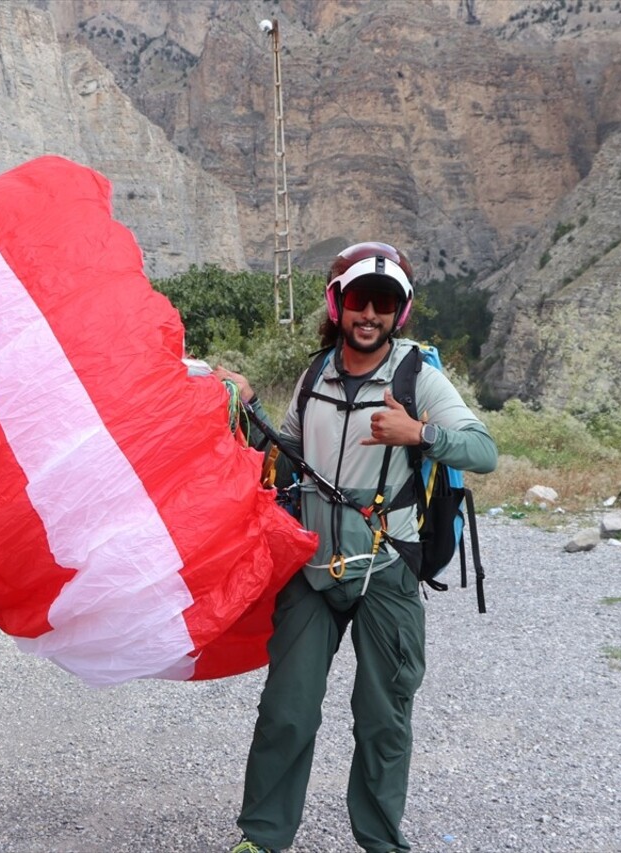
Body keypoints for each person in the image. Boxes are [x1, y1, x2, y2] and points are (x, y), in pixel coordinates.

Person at [216, 242, 498, 853]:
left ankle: (379, 842)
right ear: (336, 304)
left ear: (400, 312)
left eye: (383, 304)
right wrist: (249, 405)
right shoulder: (316, 373)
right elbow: (286, 455)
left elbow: (484, 451)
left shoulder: (416, 375)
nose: (368, 314)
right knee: (286, 713)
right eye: (358, 301)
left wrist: (418, 432)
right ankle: (261, 839)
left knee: (382, 719)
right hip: (312, 567)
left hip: (387, 567)